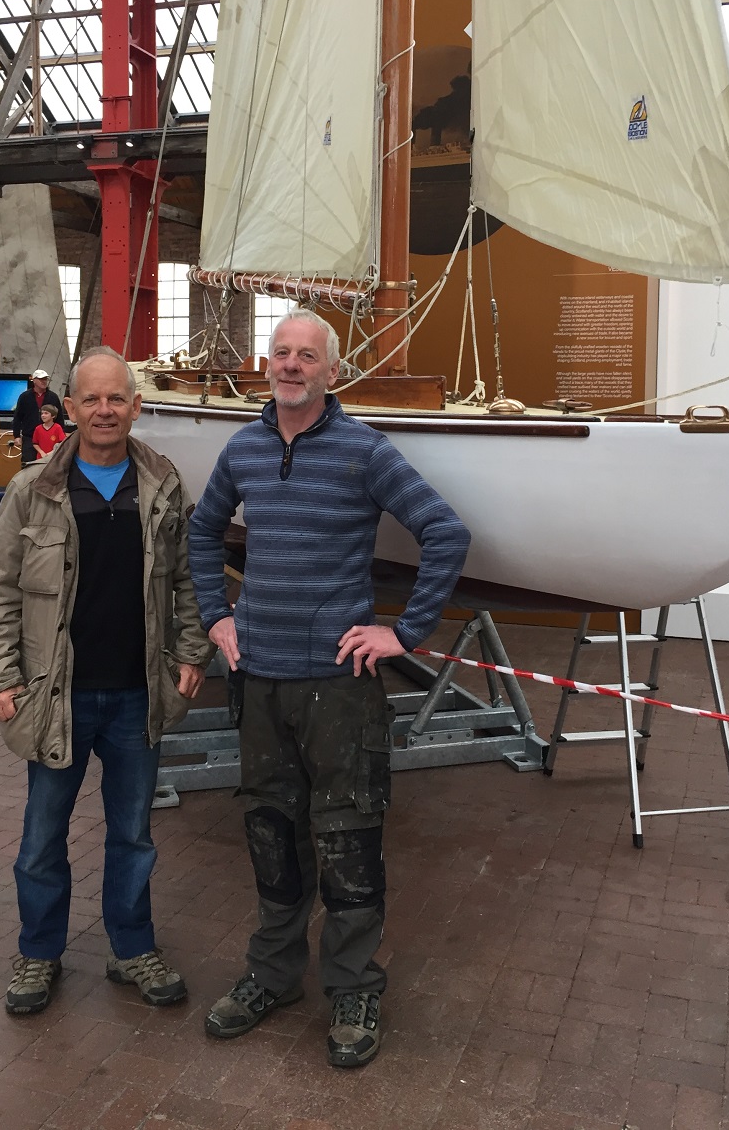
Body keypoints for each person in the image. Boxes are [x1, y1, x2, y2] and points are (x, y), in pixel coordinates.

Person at [188, 309, 471, 1069]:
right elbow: (202, 527)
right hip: (259, 679)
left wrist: (403, 634)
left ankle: (352, 984)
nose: (290, 365)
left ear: (331, 372)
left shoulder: (364, 451)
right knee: (273, 834)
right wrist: (217, 616)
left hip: (339, 688)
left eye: (306, 355)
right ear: (266, 364)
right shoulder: (243, 447)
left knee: (347, 838)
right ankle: (275, 976)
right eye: (280, 352)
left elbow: (444, 531)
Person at [0, 346, 213, 1017]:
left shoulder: (163, 485)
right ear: (69, 407)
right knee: (42, 836)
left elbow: (189, 578)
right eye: (92, 399)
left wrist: (192, 650)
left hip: (137, 692)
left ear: (136, 407)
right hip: (58, 695)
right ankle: (38, 951)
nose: (105, 410)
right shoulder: (32, 491)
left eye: (117, 398)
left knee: (133, 833)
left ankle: (131, 945)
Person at [12, 368, 64, 465]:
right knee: (28, 464)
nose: (44, 381)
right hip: (29, 437)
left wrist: (62, 434)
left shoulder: (53, 397)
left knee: (50, 464)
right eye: (41, 379)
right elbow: (18, 417)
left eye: (45, 379)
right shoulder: (24, 396)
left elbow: (59, 417)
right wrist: (16, 435)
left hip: (49, 437)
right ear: (34, 380)